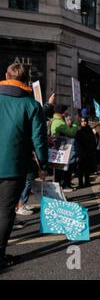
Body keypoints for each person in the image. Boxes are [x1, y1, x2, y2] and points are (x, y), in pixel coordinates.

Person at [0, 63, 48, 271]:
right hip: (13, 166)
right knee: (5, 211)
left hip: (13, 166)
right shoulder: (32, 105)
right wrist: (43, 165)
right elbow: (39, 139)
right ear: (27, 80)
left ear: (6, 76)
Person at [50, 104, 79, 192]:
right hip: (62, 149)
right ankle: (64, 185)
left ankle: (63, 184)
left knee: (60, 168)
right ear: (61, 112)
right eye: (65, 110)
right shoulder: (59, 122)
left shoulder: (55, 119)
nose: (67, 112)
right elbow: (71, 133)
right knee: (64, 167)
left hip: (58, 148)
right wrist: (75, 123)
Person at [75, 117, 97, 188]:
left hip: (88, 152)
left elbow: (93, 141)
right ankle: (80, 183)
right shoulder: (79, 131)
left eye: (85, 121)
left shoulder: (90, 130)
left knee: (87, 169)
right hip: (81, 153)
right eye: (82, 121)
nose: (84, 123)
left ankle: (87, 182)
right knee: (80, 169)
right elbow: (78, 143)